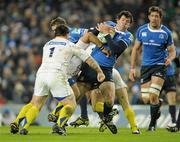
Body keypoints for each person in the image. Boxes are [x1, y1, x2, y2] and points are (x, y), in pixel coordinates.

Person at [10, 17, 105, 135]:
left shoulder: (47, 44)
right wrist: (99, 71)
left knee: (35, 103)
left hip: (41, 74)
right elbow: (89, 57)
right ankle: (59, 125)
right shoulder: (70, 44)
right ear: (67, 33)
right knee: (71, 103)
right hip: (58, 73)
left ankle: (23, 127)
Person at [129, 6, 176, 131]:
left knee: (153, 95)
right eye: (152, 16)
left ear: (160, 18)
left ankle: (152, 124)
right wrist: (132, 68)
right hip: (145, 67)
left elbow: (173, 51)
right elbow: (135, 49)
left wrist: (170, 59)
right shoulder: (142, 30)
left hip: (159, 66)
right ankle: (158, 106)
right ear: (149, 17)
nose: (154, 18)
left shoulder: (166, 33)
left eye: (157, 16)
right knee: (146, 99)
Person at [70, 68, 140, 134]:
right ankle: (134, 128)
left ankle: (107, 115)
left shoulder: (82, 71)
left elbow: (85, 92)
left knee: (95, 106)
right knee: (125, 103)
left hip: (99, 75)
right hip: (113, 72)